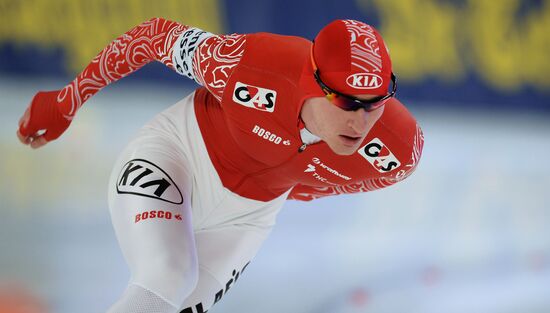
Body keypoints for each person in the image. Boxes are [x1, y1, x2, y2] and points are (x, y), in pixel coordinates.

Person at [16, 17, 424, 313]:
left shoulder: (398, 148)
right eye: (347, 101)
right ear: (313, 81)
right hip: (177, 156)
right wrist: (68, 100)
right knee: (167, 278)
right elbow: (155, 35)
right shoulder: (248, 63)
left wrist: (313, 188)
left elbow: (385, 174)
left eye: (375, 105)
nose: (360, 121)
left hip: (246, 219)